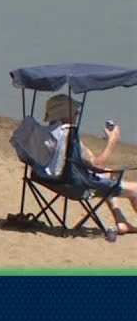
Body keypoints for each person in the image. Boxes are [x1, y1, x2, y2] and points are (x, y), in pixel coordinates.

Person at [41, 94, 133, 233]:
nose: (78, 114)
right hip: (74, 187)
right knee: (135, 189)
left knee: (108, 173)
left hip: (51, 180)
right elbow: (98, 164)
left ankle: (121, 221)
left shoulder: (46, 134)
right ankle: (122, 221)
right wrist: (112, 142)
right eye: (75, 111)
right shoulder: (68, 136)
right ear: (67, 114)